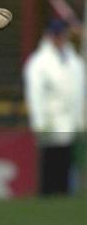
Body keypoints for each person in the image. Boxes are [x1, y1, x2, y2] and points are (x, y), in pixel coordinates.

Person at [23, 18, 85, 195]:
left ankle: (63, 195)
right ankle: (48, 195)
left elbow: (78, 93)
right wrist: (39, 121)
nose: (60, 39)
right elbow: (35, 94)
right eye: (56, 35)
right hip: (51, 120)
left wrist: (80, 119)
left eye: (62, 35)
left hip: (70, 122)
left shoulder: (74, 61)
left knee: (66, 162)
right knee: (50, 161)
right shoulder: (39, 63)